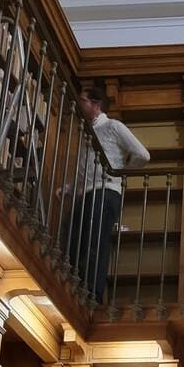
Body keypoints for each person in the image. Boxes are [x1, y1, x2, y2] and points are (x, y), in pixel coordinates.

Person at [68, 86, 150, 302]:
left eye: (83, 101)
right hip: (88, 193)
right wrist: (69, 190)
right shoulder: (88, 131)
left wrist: (120, 174)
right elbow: (86, 169)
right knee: (75, 238)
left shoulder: (113, 126)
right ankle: (74, 286)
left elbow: (142, 154)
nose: (79, 104)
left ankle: (93, 294)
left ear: (96, 105)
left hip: (106, 192)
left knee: (96, 241)